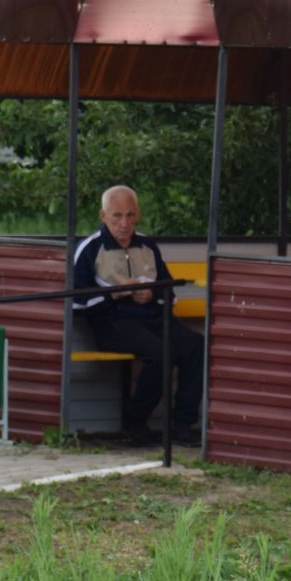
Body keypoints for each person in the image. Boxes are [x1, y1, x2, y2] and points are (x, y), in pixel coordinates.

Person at [72, 185, 206, 446]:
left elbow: (169, 291)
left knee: (195, 347)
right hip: (112, 323)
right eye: (117, 216)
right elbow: (77, 303)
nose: (124, 224)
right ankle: (135, 421)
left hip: (153, 318)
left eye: (130, 216)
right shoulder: (89, 249)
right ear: (103, 216)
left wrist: (151, 296)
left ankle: (183, 425)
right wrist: (115, 294)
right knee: (160, 353)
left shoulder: (148, 245)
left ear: (138, 216)